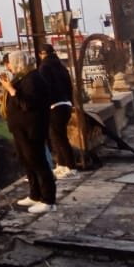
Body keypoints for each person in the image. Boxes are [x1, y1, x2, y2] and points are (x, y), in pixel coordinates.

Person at [0, 50, 56, 214]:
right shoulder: (22, 78)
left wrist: (11, 90)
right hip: (21, 129)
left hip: (32, 128)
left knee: (38, 161)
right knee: (27, 161)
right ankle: (35, 194)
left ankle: (48, 199)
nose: (9, 66)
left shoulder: (33, 79)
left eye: (11, 63)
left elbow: (27, 104)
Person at [37, 44, 77, 177]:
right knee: (59, 136)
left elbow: (44, 88)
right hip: (66, 104)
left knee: (58, 138)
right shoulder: (62, 67)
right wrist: (71, 102)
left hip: (54, 106)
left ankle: (70, 166)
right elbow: (70, 86)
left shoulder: (44, 67)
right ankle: (61, 165)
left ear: (42, 54)